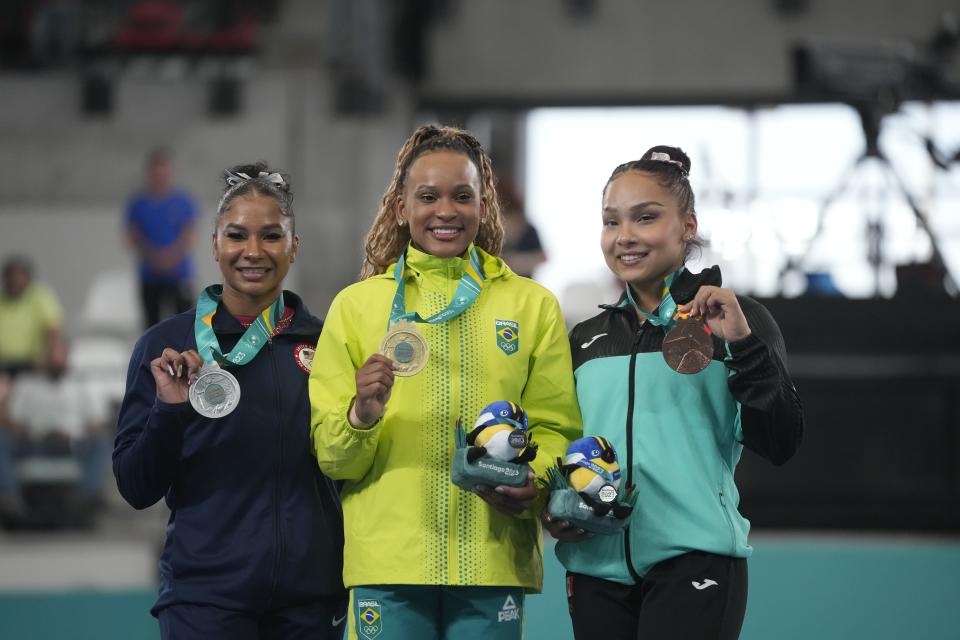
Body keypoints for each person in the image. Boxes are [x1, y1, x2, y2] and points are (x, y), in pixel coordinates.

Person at [309, 125, 581, 640]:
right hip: (387, 563)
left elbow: (554, 427)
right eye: (428, 197)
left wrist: (536, 481)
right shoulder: (356, 307)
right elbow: (331, 457)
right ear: (401, 208)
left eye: (462, 196)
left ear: (484, 204)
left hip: (492, 557)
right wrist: (361, 415)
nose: (446, 211)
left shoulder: (530, 305)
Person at [544, 146, 803, 640]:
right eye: (611, 221)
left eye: (645, 218)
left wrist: (744, 345)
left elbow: (781, 441)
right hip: (596, 563)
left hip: (694, 559)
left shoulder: (733, 319)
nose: (625, 237)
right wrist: (559, 504)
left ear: (688, 226)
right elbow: (568, 443)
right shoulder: (585, 337)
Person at [114, 163, 347, 639]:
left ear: (294, 248)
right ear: (215, 244)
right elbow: (136, 487)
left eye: (272, 236)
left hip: (309, 599)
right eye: (237, 235)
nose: (254, 252)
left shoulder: (328, 344)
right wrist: (169, 409)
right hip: (205, 599)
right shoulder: (166, 346)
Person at [125, 147, 198, 329]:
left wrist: (171, 257)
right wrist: (154, 257)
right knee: (152, 325)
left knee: (184, 324)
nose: (160, 175)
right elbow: (133, 236)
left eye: (164, 169)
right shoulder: (138, 204)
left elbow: (189, 234)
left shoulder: (183, 202)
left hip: (178, 273)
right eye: (156, 170)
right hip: (150, 275)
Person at [0, 256, 66, 376]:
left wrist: (54, 352)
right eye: (11, 277)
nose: (15, 281)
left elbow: (53, 328)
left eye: (19, 277)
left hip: (32, 363)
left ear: (28, 278)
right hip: (3, 365)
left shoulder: (40, 298)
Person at [497, 175, 547, 279]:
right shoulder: (487, 230)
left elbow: (543, 257)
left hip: (522, 284)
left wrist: (517, 262)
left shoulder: (527, 229)